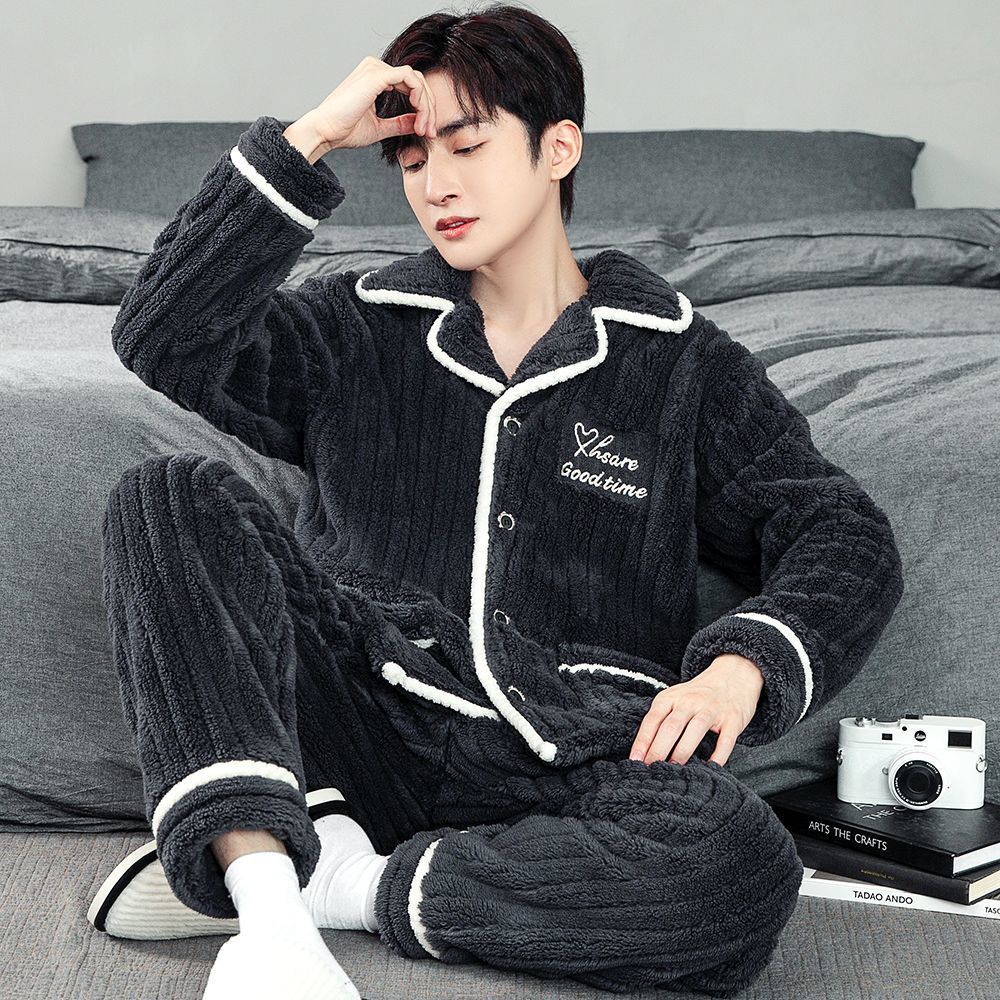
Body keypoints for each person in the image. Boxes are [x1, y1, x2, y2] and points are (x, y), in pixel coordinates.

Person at [90, 5, 905, 999]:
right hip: (362, 704)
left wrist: (741, 670)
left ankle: (341, 881)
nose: (435, 184)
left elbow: (840, 533)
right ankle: (265, 907)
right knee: (168, 493)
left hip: (573, 750)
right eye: (411, 158)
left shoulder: (682, 364)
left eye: (467, 146)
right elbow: (164, 335)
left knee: (740, 865)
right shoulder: (355, 326)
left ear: (557, 147)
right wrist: (312, 137)